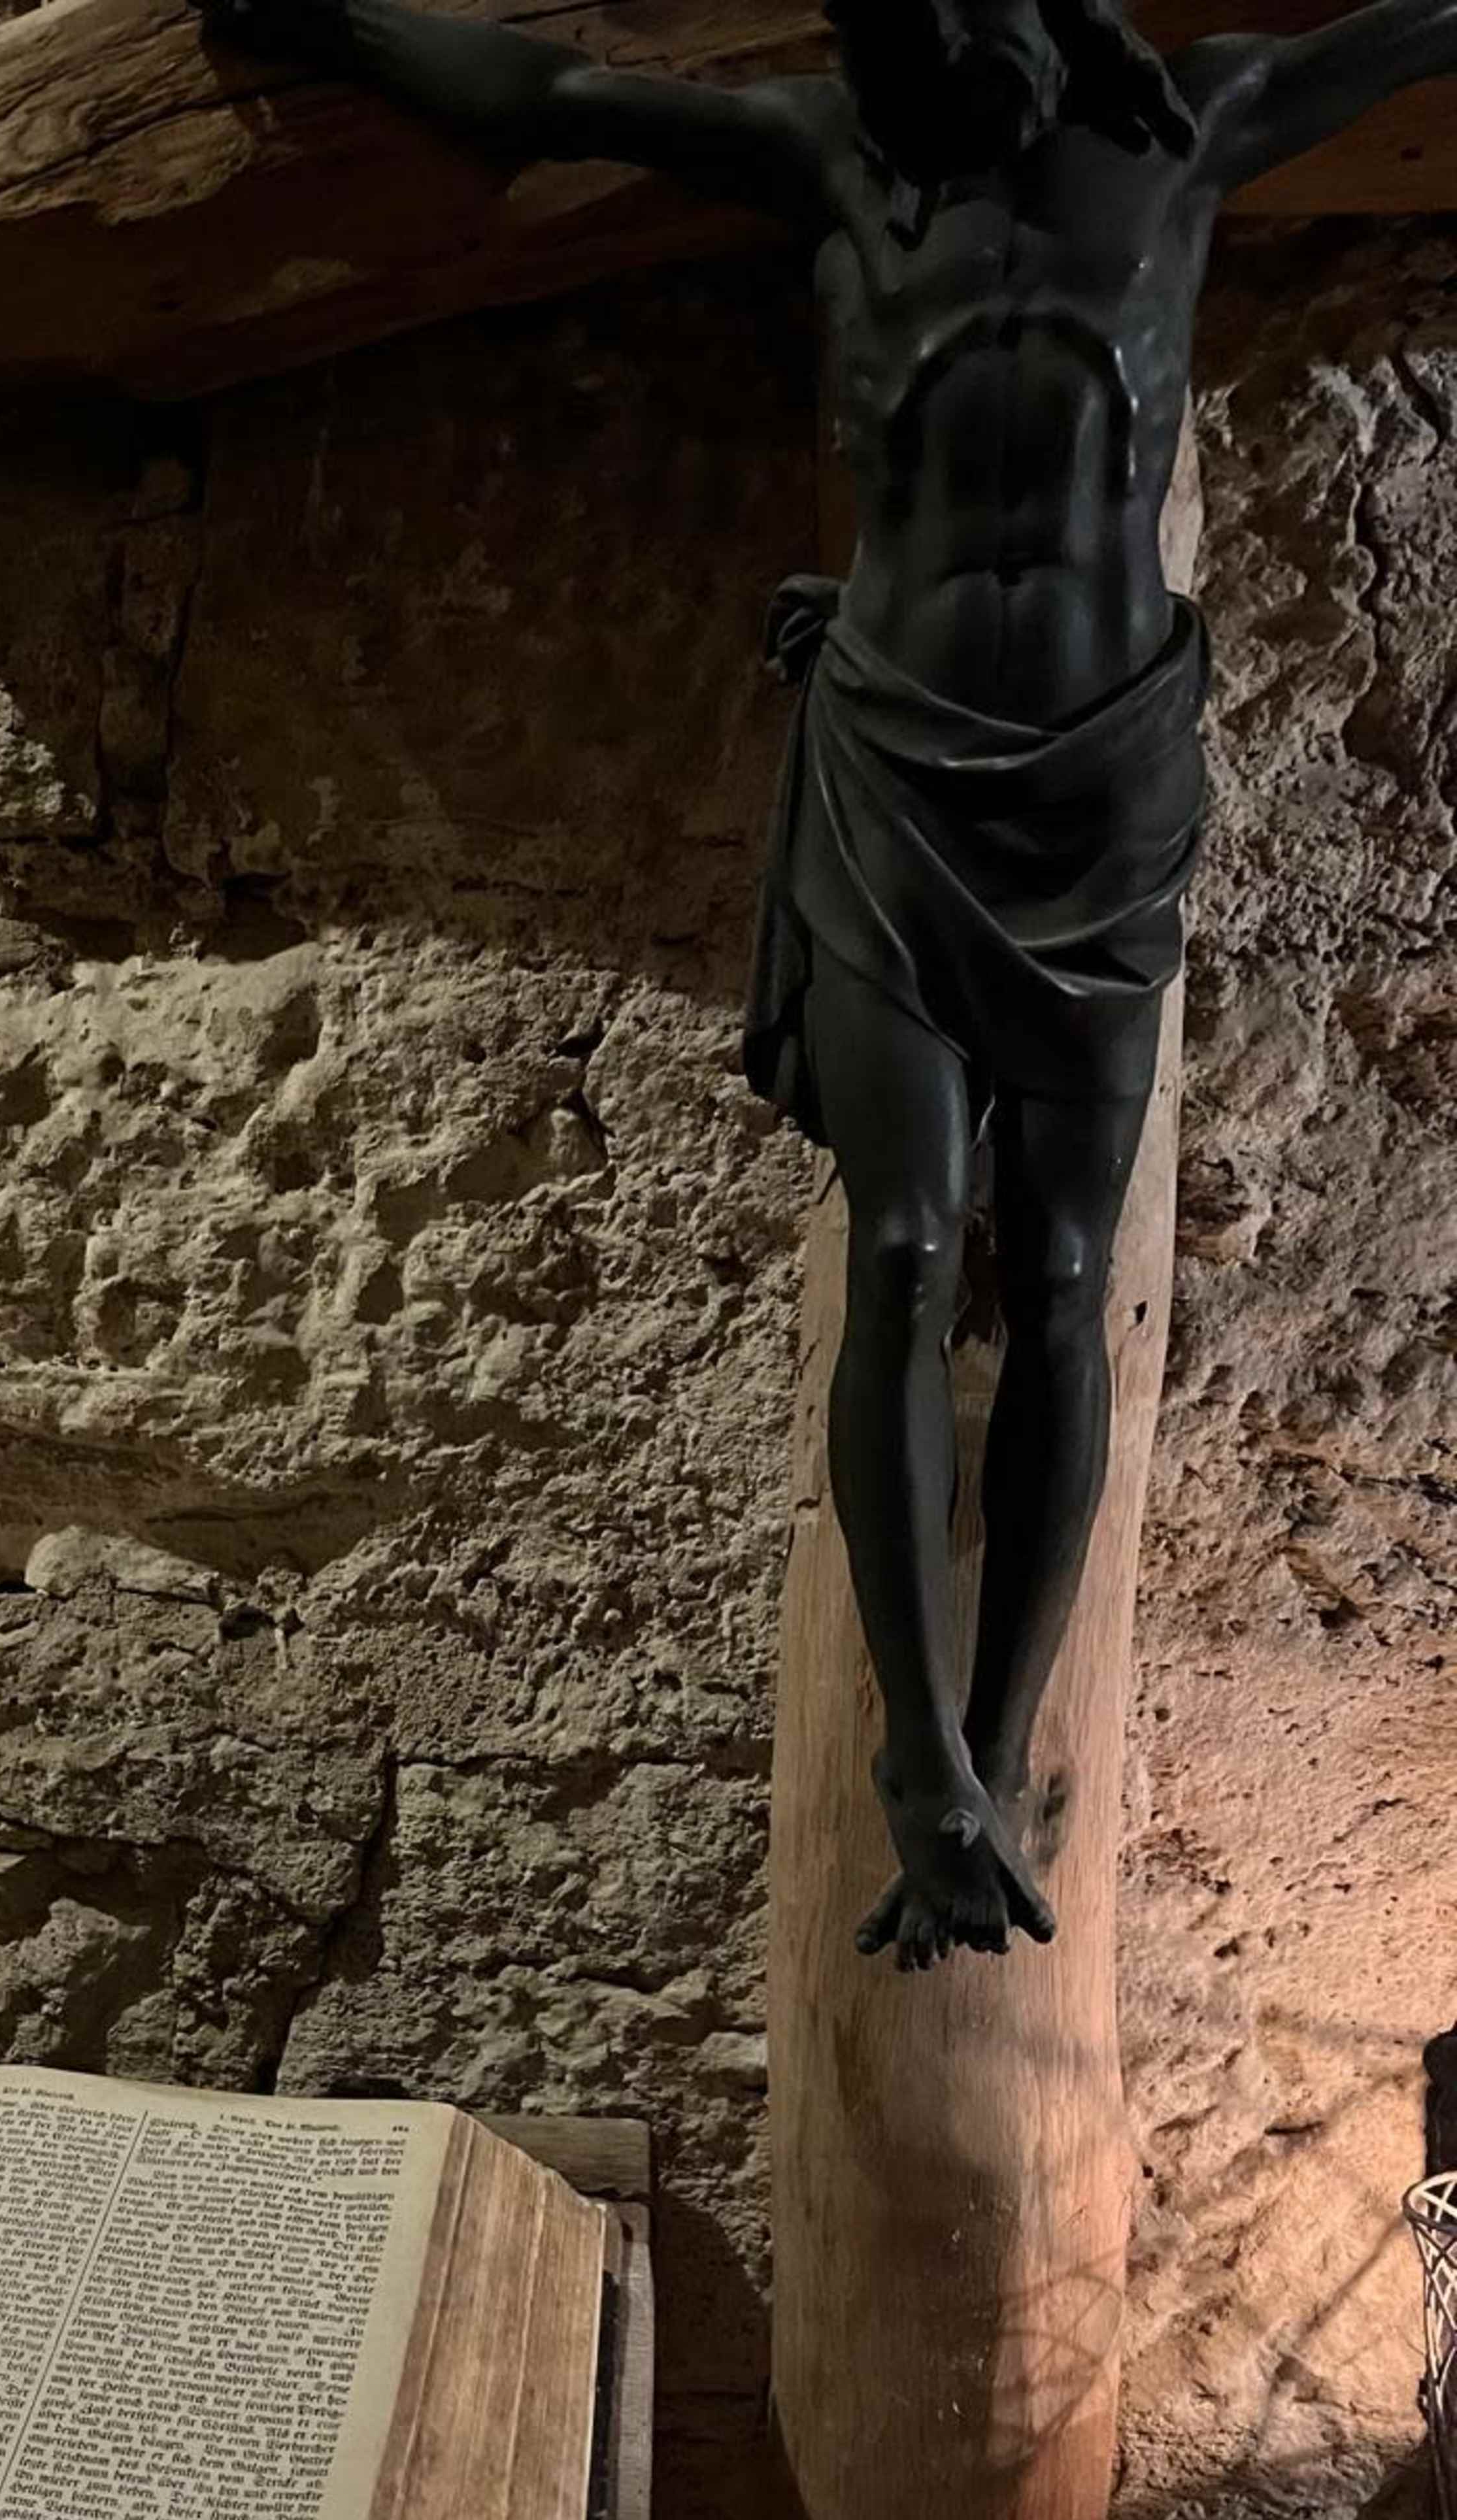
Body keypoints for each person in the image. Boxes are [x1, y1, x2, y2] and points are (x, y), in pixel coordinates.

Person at [201, 0, 1457, 1963]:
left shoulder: (1186, 130)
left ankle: (1002, 1741)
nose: (915, 78)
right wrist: (327, 21)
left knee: (1064, 1269)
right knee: (901, 1243)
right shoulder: (830, 156)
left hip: (1100, 793)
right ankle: (917, 1761)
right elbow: (553, 100)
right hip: (894, 765)